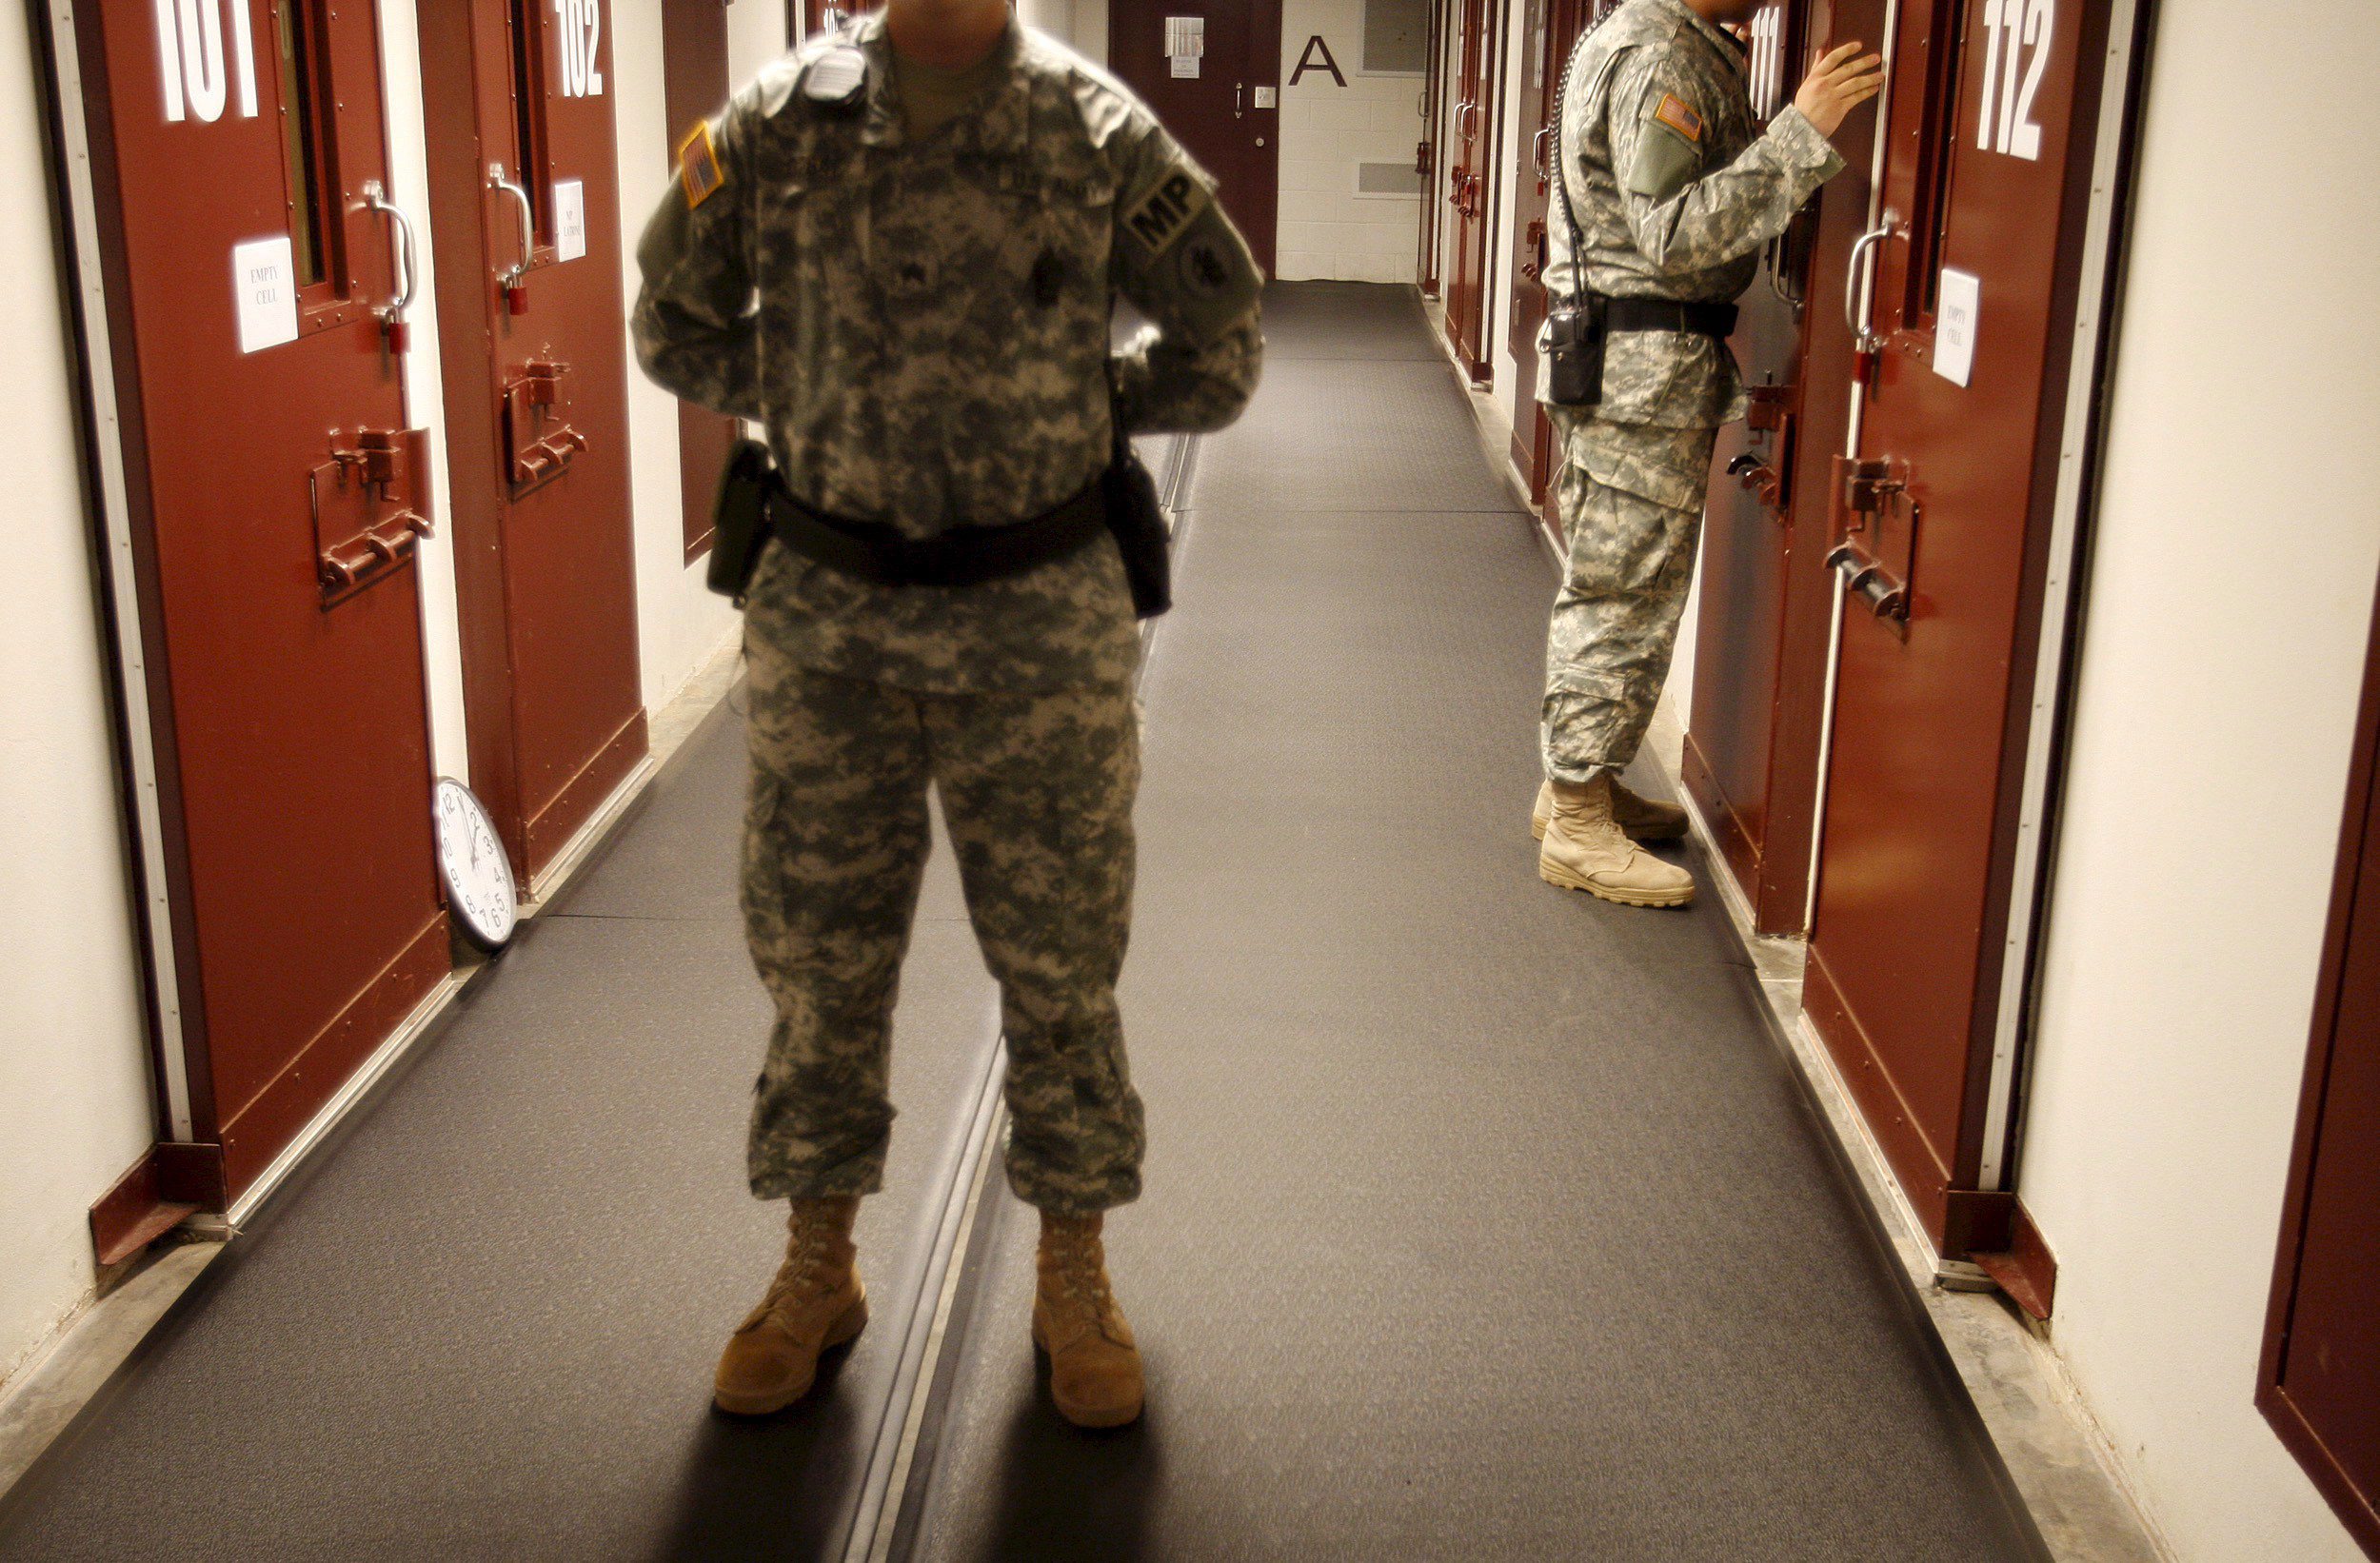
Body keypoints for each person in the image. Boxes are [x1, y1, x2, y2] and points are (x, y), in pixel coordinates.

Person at [631, 0, 1262, 1428]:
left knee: (1060, 967)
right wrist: (793, 387)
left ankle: (1076, 1269)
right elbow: (668, 317)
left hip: (1036, 624)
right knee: (817, 964)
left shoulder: (1097, 133)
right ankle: (817, 1262)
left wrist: (1086, 404)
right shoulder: (782, 122)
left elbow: (1222, 342)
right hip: (832, 627)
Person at [1531, 0, 1882, 906]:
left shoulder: (1662, 42)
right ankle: (1575, 820)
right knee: (1620, 595)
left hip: (1635, 368)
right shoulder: (1661, 59)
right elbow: (1677, 239)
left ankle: (1586, 781)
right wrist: (1801, 135)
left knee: (1634, 589)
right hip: (1638, 376)